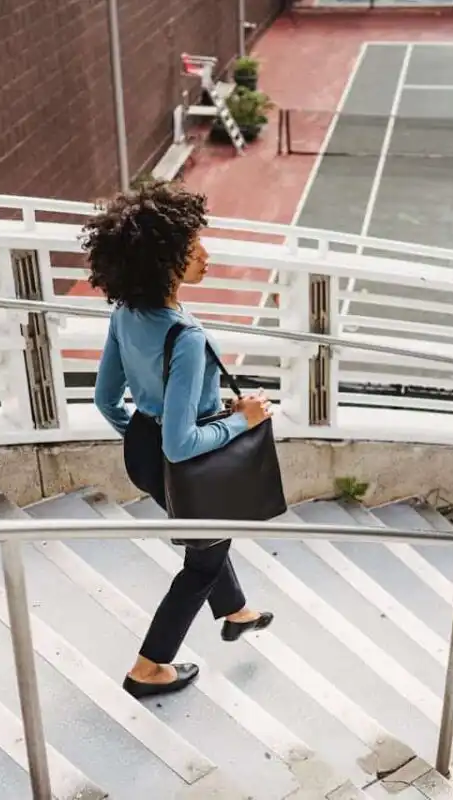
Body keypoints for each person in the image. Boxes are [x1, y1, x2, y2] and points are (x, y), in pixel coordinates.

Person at [84, 179, 275, 699]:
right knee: (202, 562)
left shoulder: (124, 313)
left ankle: (237, 612)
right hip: (180, 458)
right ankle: (149, 667)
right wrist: (244, 420)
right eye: (193, 249)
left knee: (208, 534)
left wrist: (142, 436)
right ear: (166, 259)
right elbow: (183, 443)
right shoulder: (185, 337)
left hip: (142, 455)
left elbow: (106, 401)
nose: (206, 255)